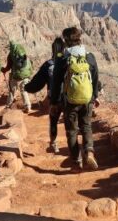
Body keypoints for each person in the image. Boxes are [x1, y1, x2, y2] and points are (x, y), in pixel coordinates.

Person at [50, 26, 101, 170]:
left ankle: (76, 161)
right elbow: (95, 77)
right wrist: (95, 96)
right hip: (87, 99)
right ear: (80, 39)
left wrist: (54, 102)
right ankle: (89, 152)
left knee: (71, 131)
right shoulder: (89, 56)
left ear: (65, 41)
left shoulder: (63, 58)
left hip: (69, 101)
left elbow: (56, 82)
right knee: (86, 126)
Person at [24, 36, 66, 153]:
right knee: (71, 123)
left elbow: (37, 83)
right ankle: (75, 149)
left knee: (53, 121)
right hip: (70, 99)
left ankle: (53, 144)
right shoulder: (70, 61)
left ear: (53, 50)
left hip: (55, 99)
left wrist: (27, 87)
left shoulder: (48, 65)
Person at [4, 40, 33, 112]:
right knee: (24, 90)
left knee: (12, 91)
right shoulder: (23, 52)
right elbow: (30, 64)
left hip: (16, 76)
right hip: (26, 74)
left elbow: (8, 67)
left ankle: (8, 106)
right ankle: (28, 107)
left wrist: (3, 70)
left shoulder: (11, 55)